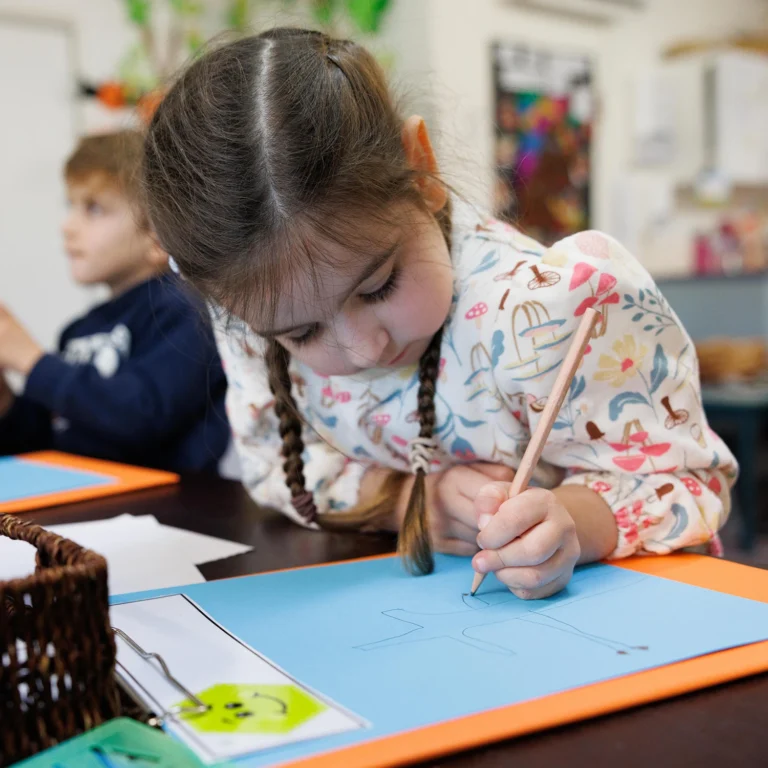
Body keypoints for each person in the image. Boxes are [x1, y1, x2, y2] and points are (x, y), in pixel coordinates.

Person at [141, 29, 737, 598]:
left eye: (377, 285)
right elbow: (274, 466)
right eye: (301, 333)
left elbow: (689, 483)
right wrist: (411, 501)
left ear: (419, 165)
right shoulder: (252, 321)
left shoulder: (547, 308)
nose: (364, 348)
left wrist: (574, 524)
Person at [0, 130, 229, 473]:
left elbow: (142, 417)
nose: (68, 226)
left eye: (93, 208)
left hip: (169, 513)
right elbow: (44, 445)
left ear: (158, 234)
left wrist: (32, 362)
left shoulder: (185, 312)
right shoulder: (78, 331)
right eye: (70, 206)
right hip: (85, 508)